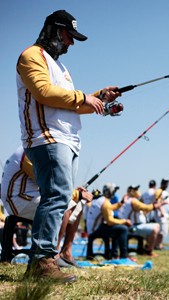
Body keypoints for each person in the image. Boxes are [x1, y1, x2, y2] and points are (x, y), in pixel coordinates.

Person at [17, 10, 121, 282]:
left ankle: (44, 261)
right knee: (56, 196)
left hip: (66, 139)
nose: (71, 43)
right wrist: (84, 97)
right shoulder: (31, 56)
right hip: (46, 138)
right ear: (53, 30)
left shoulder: (61, 68)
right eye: (68, 36)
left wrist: (99, 98)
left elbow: (69, 104)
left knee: (60, 197)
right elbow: (44, 93)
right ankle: (41, 262)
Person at [0, 147, 93, 267]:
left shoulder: (35, 150)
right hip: (18, 201)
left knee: (78, 203)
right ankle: (53, 253)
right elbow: (49, 184)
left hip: (28, 198)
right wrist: (77, 193)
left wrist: (75, 193)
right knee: (61, 205)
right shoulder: (30, 154)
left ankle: (66, 252)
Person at [85, 183, 132, 259]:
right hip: (95, 230)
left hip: (92, 228)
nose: (114, 193)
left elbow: (110, 208)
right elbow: (110, 221)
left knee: (117, 229)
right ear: (109, 192)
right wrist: (125, 221)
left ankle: (114, 254)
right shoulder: (105, 202)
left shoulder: (101, 200)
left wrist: (122, 202)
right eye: (114, 191)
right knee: (123, 229)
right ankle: (123, 256)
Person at [118, 185, 161, 257]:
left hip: (128, 226)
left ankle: (146, 248)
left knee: (150, 227)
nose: (137, 191)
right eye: (135, 189)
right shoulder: (133, 201)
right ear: (131, 191)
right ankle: (149, 251)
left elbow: (143, 210)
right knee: (156, 227)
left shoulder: (127, 200)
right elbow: (146, 207)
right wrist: (155, 205)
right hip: (132, 227)